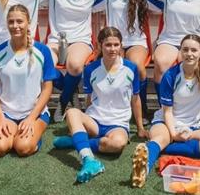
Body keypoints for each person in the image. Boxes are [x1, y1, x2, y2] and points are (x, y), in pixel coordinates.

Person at [51, 27, 146, 183]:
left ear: (121, 45)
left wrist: (141, 128)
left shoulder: (131, 68)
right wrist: (85, 121)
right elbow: (90, 98)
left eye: (116, 45)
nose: (112, 49)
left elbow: (136, 99)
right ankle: (89, 160)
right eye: (108, 45)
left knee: (117, 145)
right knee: (72, 112)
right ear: (100, 45)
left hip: (117, 124)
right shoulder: (90, 69)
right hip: (95, 121)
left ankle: (77, 142)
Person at [131, 34, 200, 188]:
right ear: (179, 52)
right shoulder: (170, 76)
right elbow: (167, 112)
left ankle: (160, 149)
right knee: (161, 138)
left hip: (192, 125)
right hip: (166, 122)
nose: (189, 54)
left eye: (194, 50)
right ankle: (143, 169)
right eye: (185, 50)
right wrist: (174, 134)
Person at [32, 0, 104, 120]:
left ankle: (63, 102)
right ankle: (71, 91)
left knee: (75, 66)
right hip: (56, 40)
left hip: (80, 41)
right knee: (40, 63)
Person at [0, 4, 57, 157]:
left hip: (33, 113)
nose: (15, 26)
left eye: (20, 21)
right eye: (11, 22)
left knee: (23, 148)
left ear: (28, 22)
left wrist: (31, 118)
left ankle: (28, 134)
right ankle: (12, 132)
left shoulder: (42, 51)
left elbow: (47, 88)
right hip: (6, 113)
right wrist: (0, 118)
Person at [94, 0, 149, 82]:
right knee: (108, 68)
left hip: (136, 42)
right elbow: (90, 4)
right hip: (114, 42)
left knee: (138, 68)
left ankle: (141, 101)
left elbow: (161, 3)